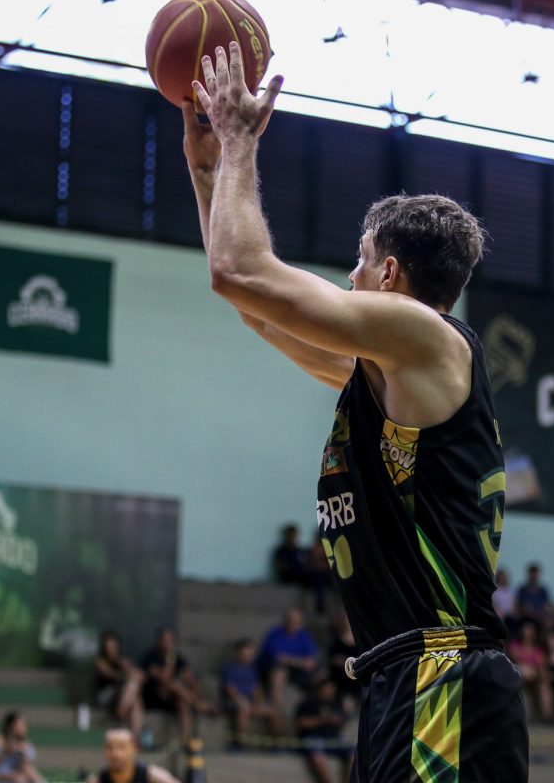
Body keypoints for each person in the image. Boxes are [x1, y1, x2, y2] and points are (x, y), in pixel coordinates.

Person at [186, 42, 526, 782]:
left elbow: (242, 272)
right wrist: (209, 168)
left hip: (442, 677)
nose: (349, 275)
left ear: (390, 272)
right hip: (402, 678)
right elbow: (253, 306)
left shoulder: (425, 337)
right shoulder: (389, 375)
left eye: (361, 260)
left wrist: (241, 140)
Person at [139, 627, 212, 741]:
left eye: (171, 641)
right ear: (159, 641)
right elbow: (164, 677)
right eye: (165, 640)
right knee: (172, 682)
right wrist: (170, 658)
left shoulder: (179, 658)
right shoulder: (151, 657)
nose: (168, 644)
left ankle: (185, 740)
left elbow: (189, 677)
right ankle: (198, 704)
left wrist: (196, 692)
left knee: (182, 702)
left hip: (173, 697)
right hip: (154, 698)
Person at [220, 639, 280, 746]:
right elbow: (229, 689)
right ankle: (240, 743)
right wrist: (240, 701)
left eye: (251, 655)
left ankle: (277, 744)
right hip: (233, 703)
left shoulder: (252, 669)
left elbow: (256, 689)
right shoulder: (229, 668)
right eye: (246, 654)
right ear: (238, 653)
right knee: (243, 709)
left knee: (274, 711)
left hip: (250, 702)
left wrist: (258, 702)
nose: (249, 657)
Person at [257, 608, 318, 712]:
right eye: (291, 621)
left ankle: (315, 706)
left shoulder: (304, 636)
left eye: (297, 622)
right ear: (285, 621)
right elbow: (279, 657)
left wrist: (303, 662)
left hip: (296, 669)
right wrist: (299, 662)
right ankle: (275, 704)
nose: (293, 625)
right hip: (271, 667)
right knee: (279, 670)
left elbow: (311, 657)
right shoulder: (275, 633)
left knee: (320, 673)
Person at [295, 678, 353, 783]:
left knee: (353, 753)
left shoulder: (335, 703)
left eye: (332, 689)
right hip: (315, 738)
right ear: (320, 689)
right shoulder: (309, 703)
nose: (330, 691)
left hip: (333, 738)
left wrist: (344, 715)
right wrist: (324, 720)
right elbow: (301, 723)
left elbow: (342, 722)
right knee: (318, 757)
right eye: (327, 688)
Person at [93, 632, 144, 744]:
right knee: (133, 685)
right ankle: (121, 712)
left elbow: (139, 675)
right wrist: (127, 675)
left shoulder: (122, 660)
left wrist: (123, 664)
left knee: (136, 701)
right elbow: (111, 675)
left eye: (114, 647)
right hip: (106, 695)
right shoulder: (100, 661)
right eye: (109, 647)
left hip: (123, 695)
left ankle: (135, 739)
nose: (111, 650)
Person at [87, 728, 179, 783]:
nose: (115, 753)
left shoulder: (153, 776)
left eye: (121, 747)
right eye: (110, 748)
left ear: (134, 749)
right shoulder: (99, 779)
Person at [508, 621, 553, 722]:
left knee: (544, 685)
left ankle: (548, 717)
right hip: (518, 673)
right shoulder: (515, 645)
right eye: (527, 629)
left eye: (531, 630)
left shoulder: (538, 649)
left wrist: (539, 672)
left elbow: (542, 664)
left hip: (535, 676)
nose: (529, 632)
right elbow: (515, 660)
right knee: (524, 669)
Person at [0, 711, 41, 783]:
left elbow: (27, 767)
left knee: (28, 771)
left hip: (16, 774)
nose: (24, 727)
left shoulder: (25, 745)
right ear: (11, 726)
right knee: (19, 779)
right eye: (21, 725)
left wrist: (23, 755)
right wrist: (7, 750)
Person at [491, 569, 519, 638]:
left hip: (510, 616)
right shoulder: (495, 591)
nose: (503, 579)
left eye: (504, 577)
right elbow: (494, 605)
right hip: (500, 616)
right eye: (502, 577)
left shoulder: (511, 591)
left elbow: (515, 604)